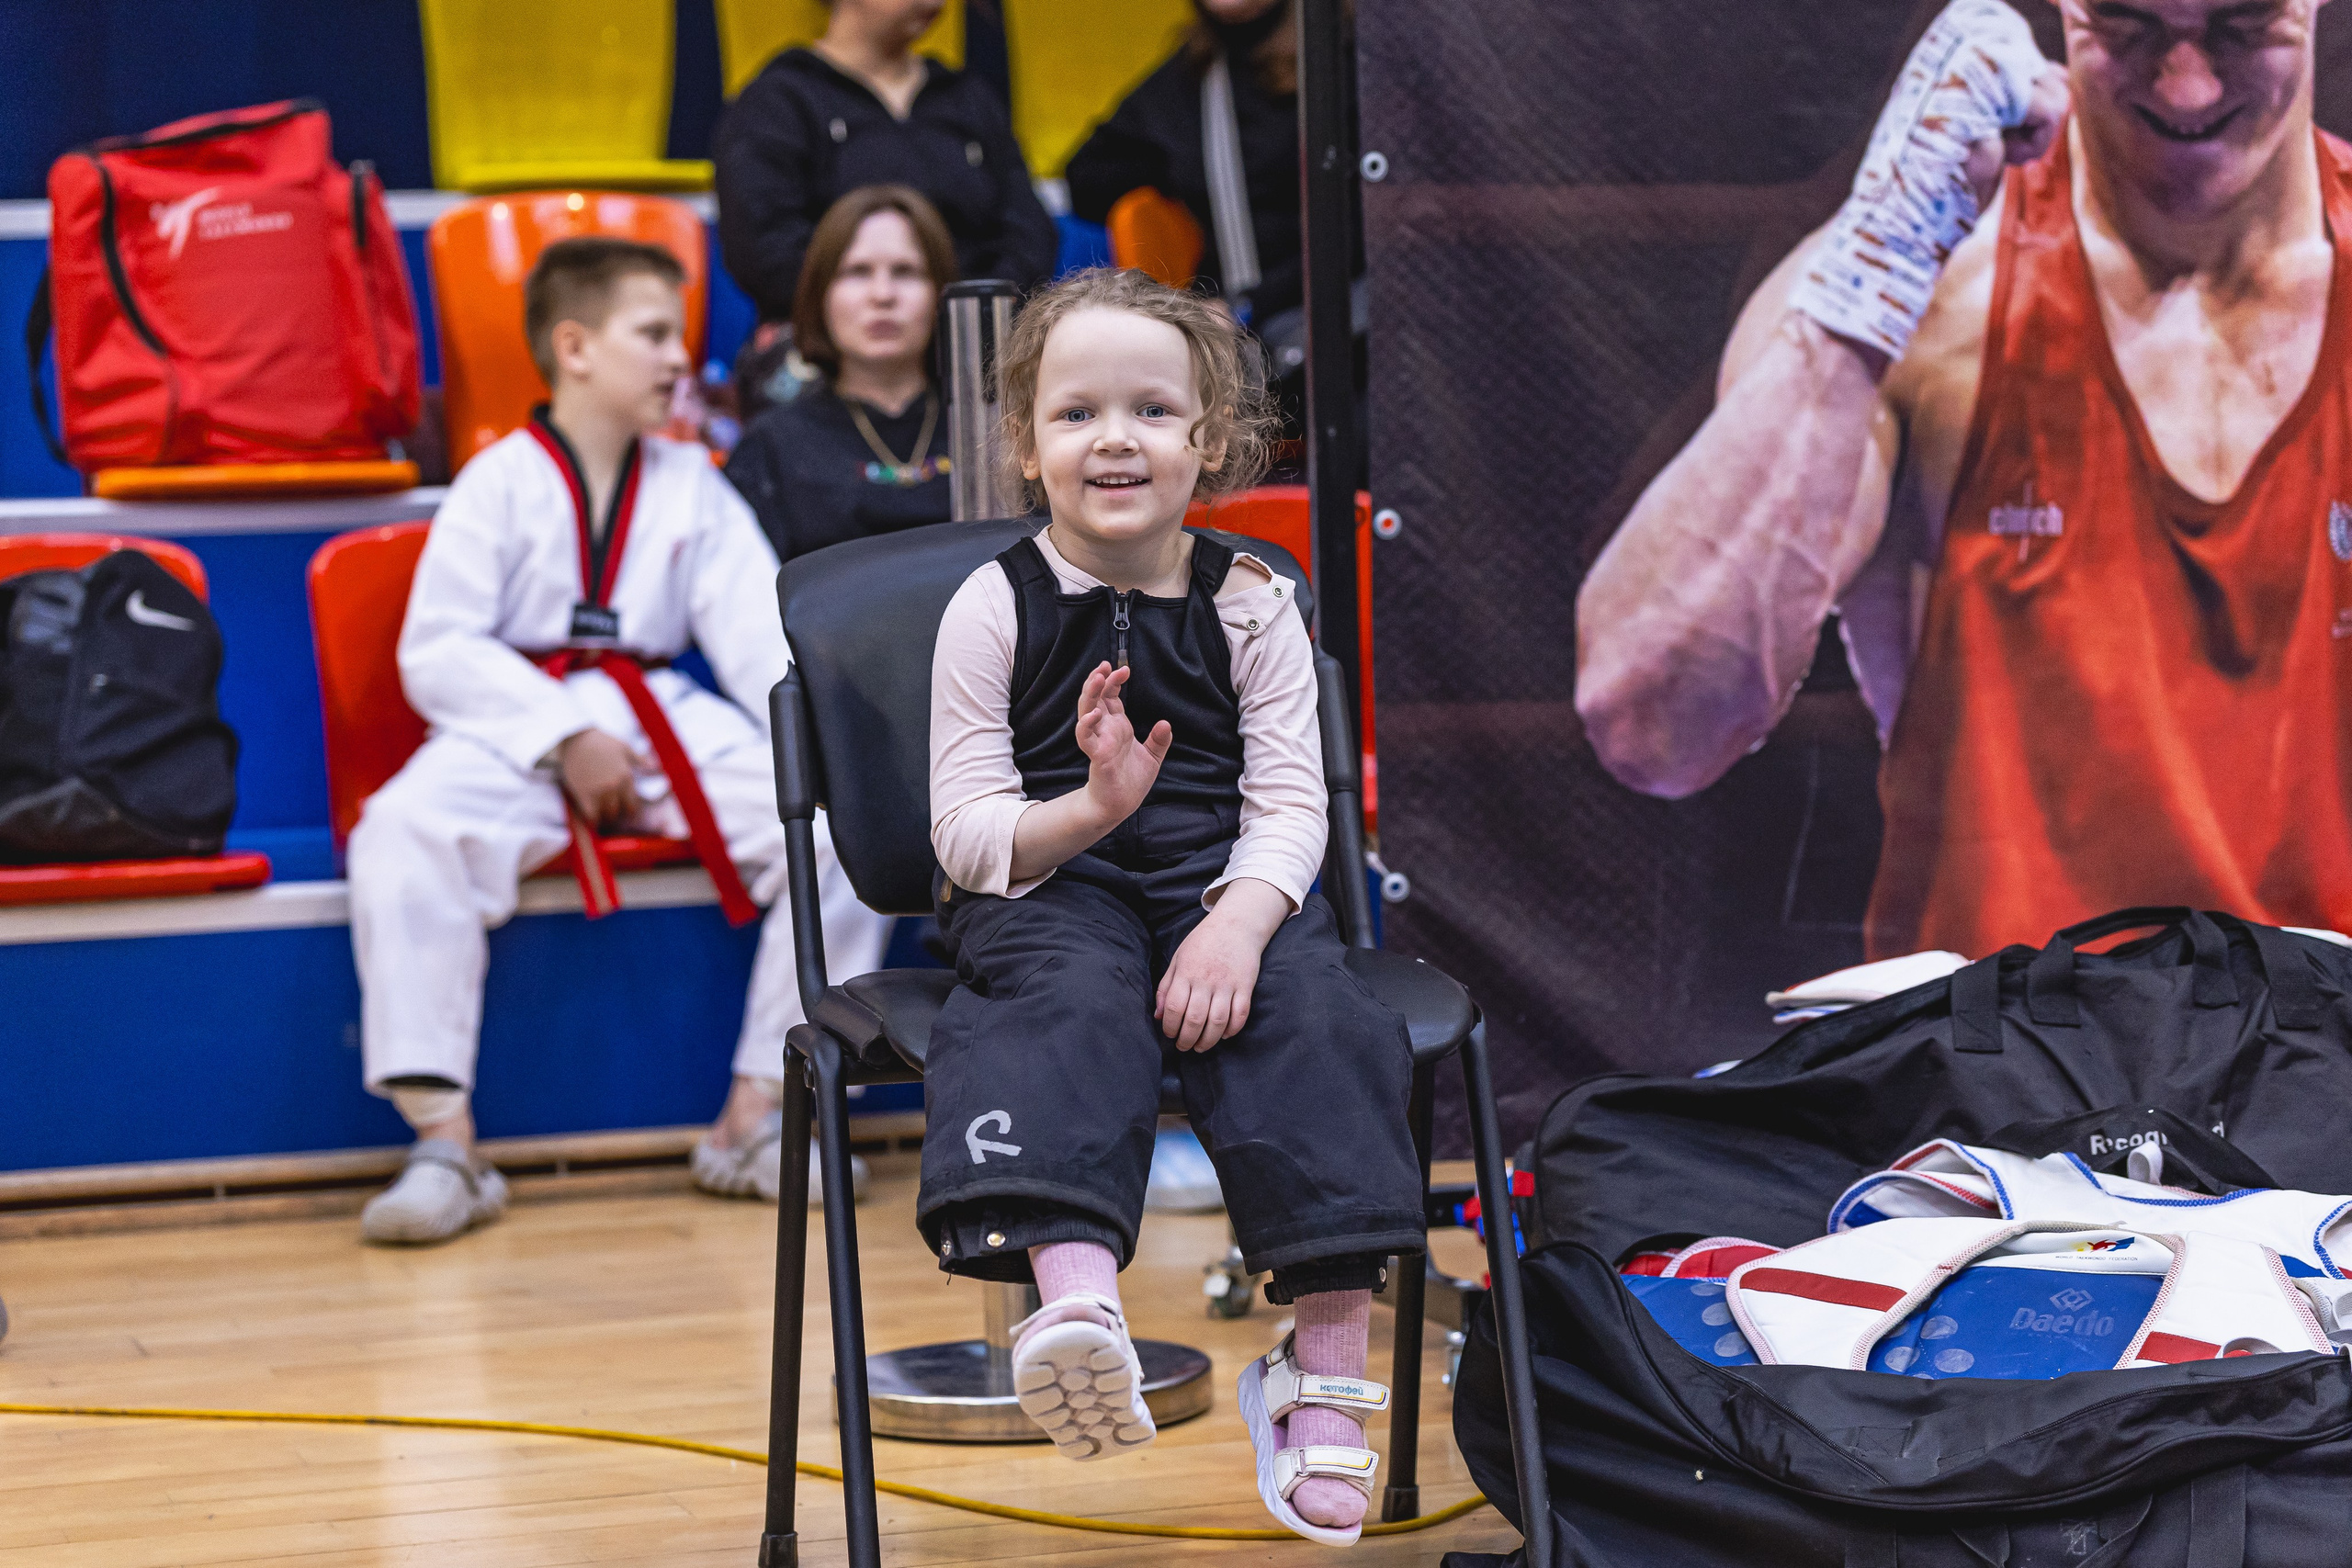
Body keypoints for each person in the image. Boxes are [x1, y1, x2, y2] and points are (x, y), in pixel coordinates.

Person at [1576, 0, 2352, 960]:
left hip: (2330, 1074)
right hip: (1996, 1079)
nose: (2184, 86)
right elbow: (1654, 726)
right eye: (2127, 26)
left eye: (2239, 27)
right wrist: (1873, 270)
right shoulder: (1930, 291)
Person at [921, 268, 1420, 1543]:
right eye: (1079, 413)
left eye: (1152, 410)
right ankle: (1078, 1305)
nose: (1116, 439)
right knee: (1066, 1001)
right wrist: (1089, 808)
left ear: (1209, 441)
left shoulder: (1254, 598)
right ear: (1027, 449)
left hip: (1221, 881)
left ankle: (1318, 1375)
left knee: (1318, 1017)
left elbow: (1297, 809)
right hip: (1050, 879)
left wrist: (1241, 922)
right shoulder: (989, 605)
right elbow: (968, 834)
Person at [347, 237, 892, 1245]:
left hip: (661, 721)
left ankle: (760, 1119)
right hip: (516, 718)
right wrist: (560, 736)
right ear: (575, 347)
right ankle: (443, 1146)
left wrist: (833, 742)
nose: (680, 359)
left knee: (837, 836)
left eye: (679, 336)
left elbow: (756, 639)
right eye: (652, 335)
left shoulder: (691, 480)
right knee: (400, 831)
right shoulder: (497, 480)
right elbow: (437, 648)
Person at [714, 0, 1056, 416]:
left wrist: (963, 321)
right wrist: (883, 317)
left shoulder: (969, 98)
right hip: (831, 353)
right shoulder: (780, 99)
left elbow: (1029, 234)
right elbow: (762, 249)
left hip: (977, 345)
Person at [726, 186, 955, 563]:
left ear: (941, 293)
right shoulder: (772, 447)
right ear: (820, 295)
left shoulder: (993, 432)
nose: (883, 295)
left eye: (906, 272)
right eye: (857, 272)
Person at [1064, 0, 1309, 328]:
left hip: (1334, 309)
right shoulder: (1195, 71)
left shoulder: (1354, 63)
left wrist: (1257, 302)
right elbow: (1087, 179)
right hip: (1228, 313)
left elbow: (1372, 229)